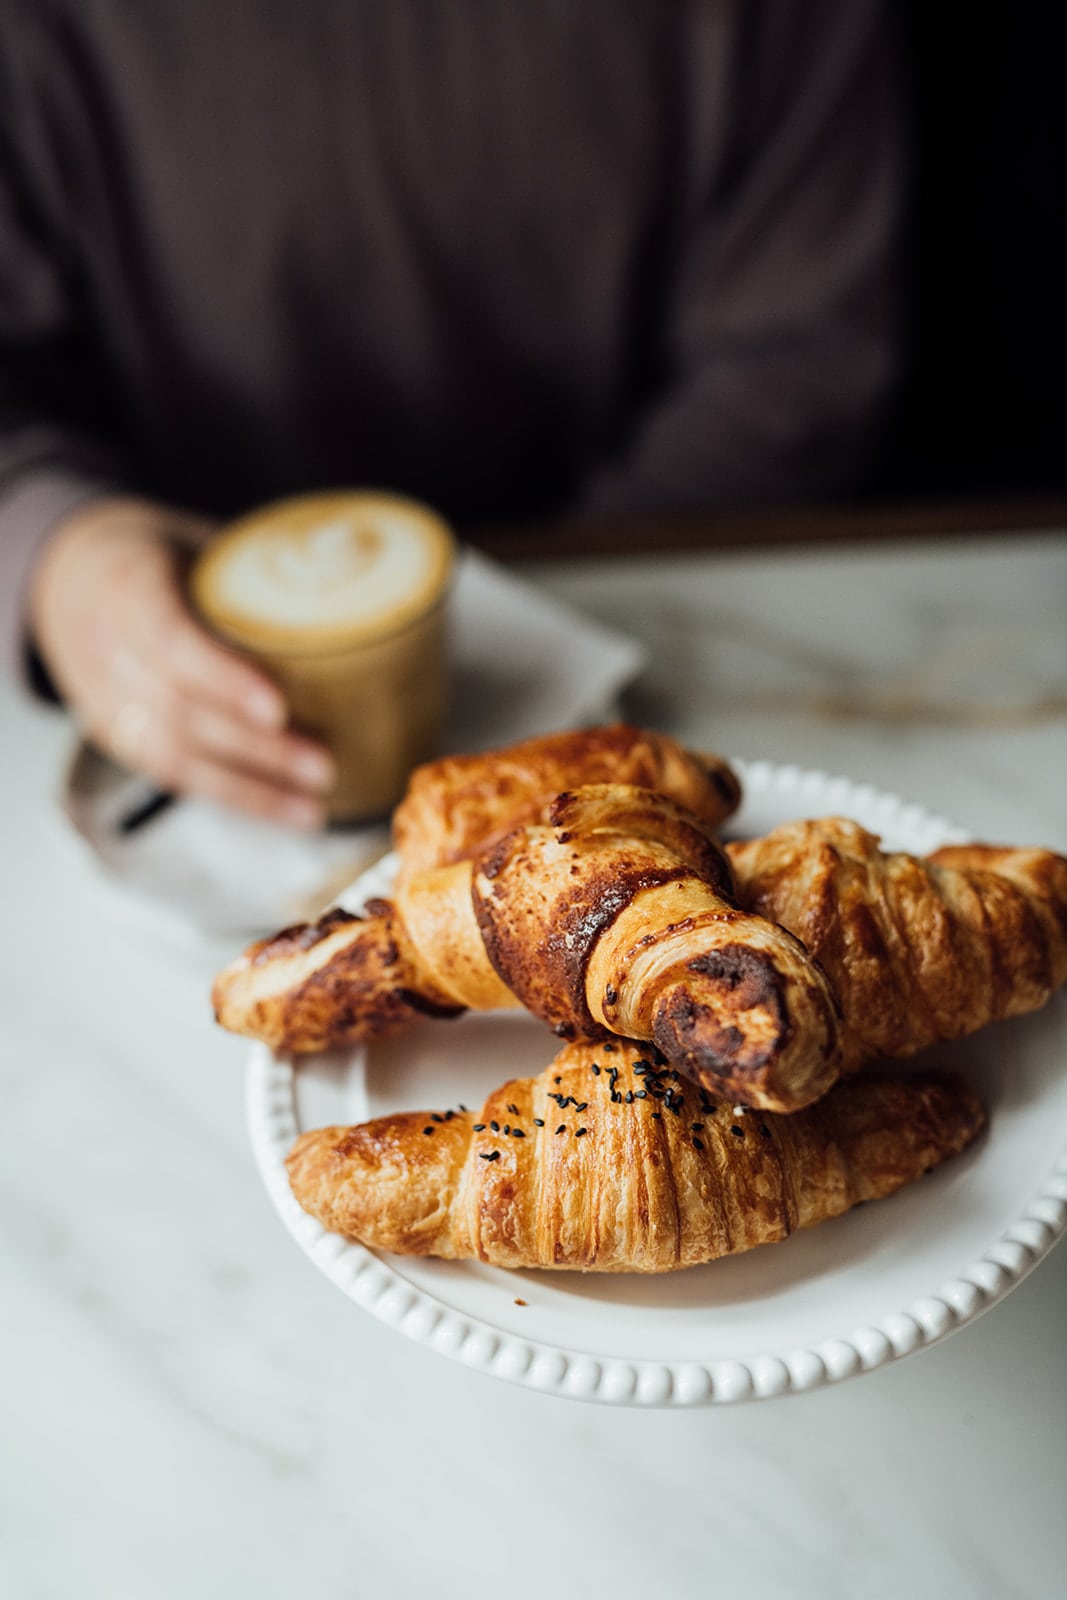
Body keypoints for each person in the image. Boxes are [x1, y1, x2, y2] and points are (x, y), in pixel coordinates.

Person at [1, 1, 902, 827]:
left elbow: (798, 359)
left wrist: (550, 627)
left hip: (700, 658)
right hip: (161, 704)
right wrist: (55, 547)